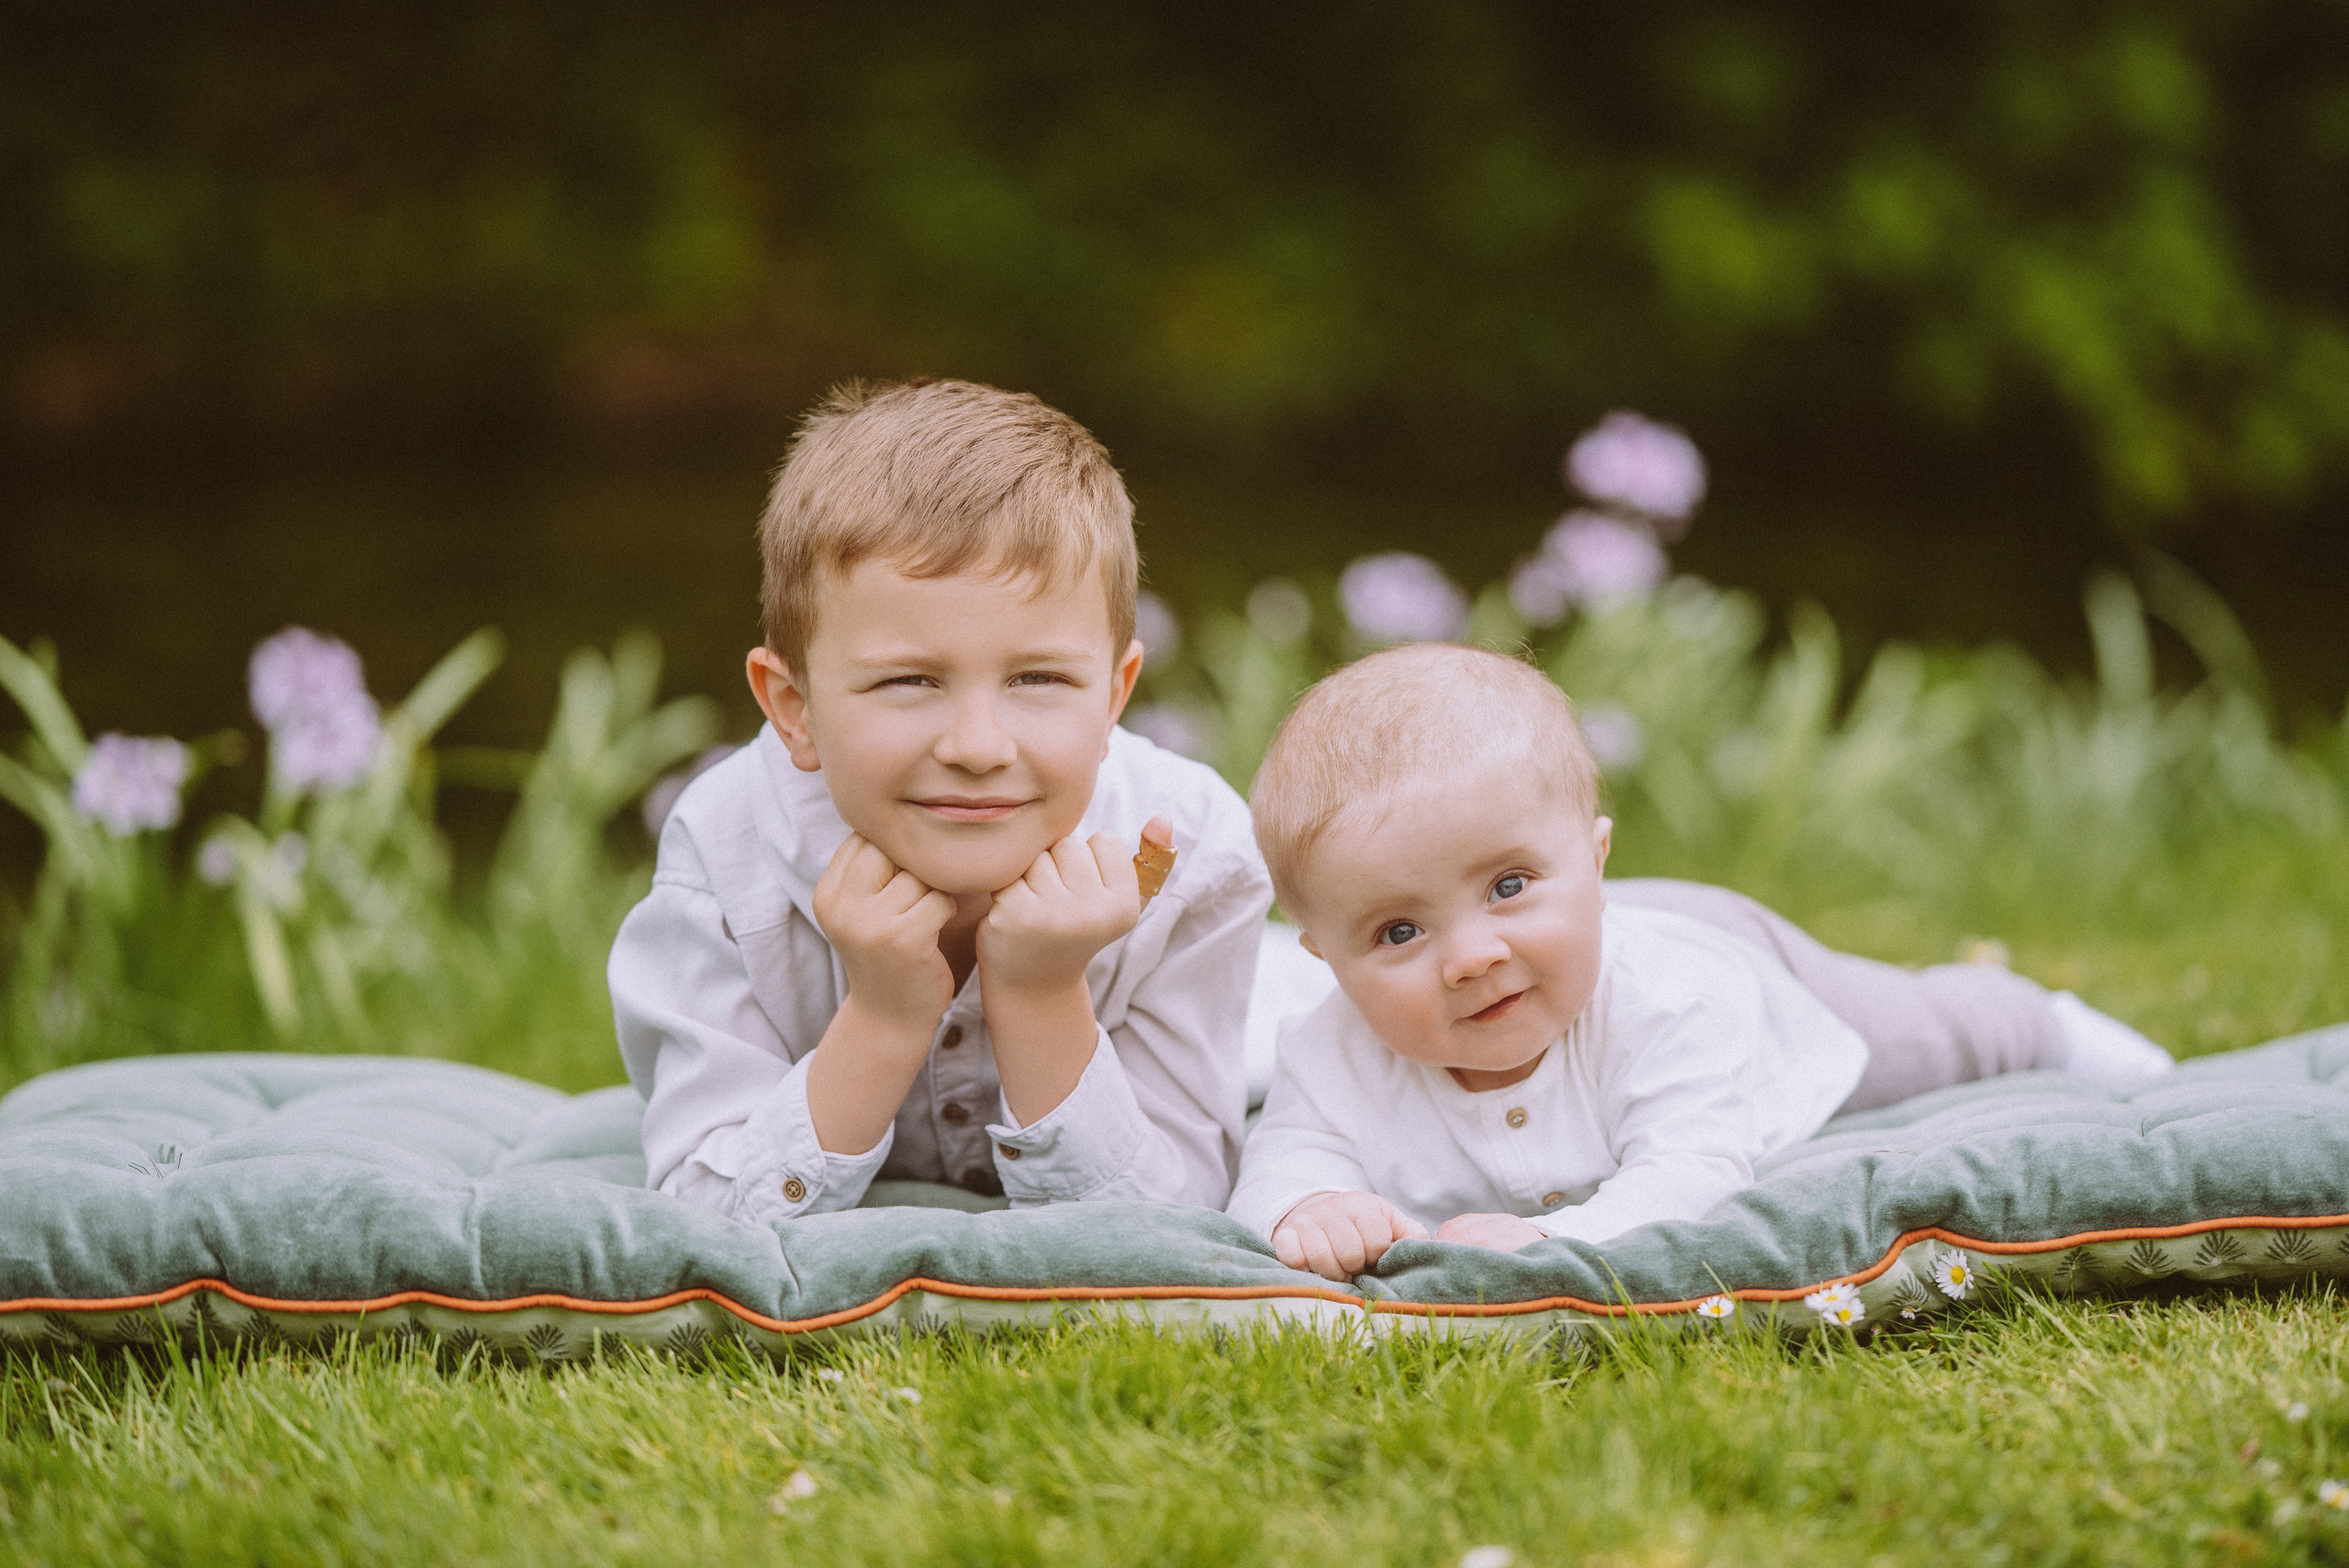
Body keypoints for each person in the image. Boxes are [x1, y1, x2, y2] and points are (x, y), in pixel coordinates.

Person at [1227, 643, 2172, 1282]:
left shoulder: (1673, 998)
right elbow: (1283, 1156)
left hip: (1738, 959)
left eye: (1510, 884)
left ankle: (2035, 1015)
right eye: (1399, 931)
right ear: (1325, 957)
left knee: (1919, 1037)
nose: (1473, 954)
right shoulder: (1327, 1049)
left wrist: (1552, 1240)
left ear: (1593, 858)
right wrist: (1306, 1203)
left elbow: (1697, 1170)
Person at [611, 379, 1270, 1225]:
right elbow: (703, 1217)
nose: (977, 746)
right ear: (793, 707)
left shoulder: (1195, 855)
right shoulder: (725, 851)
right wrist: (882, 1013)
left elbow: (1171, 1219)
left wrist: (1041, 995)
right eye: (908, 681)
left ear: (1114, 695)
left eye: (1039, 679)